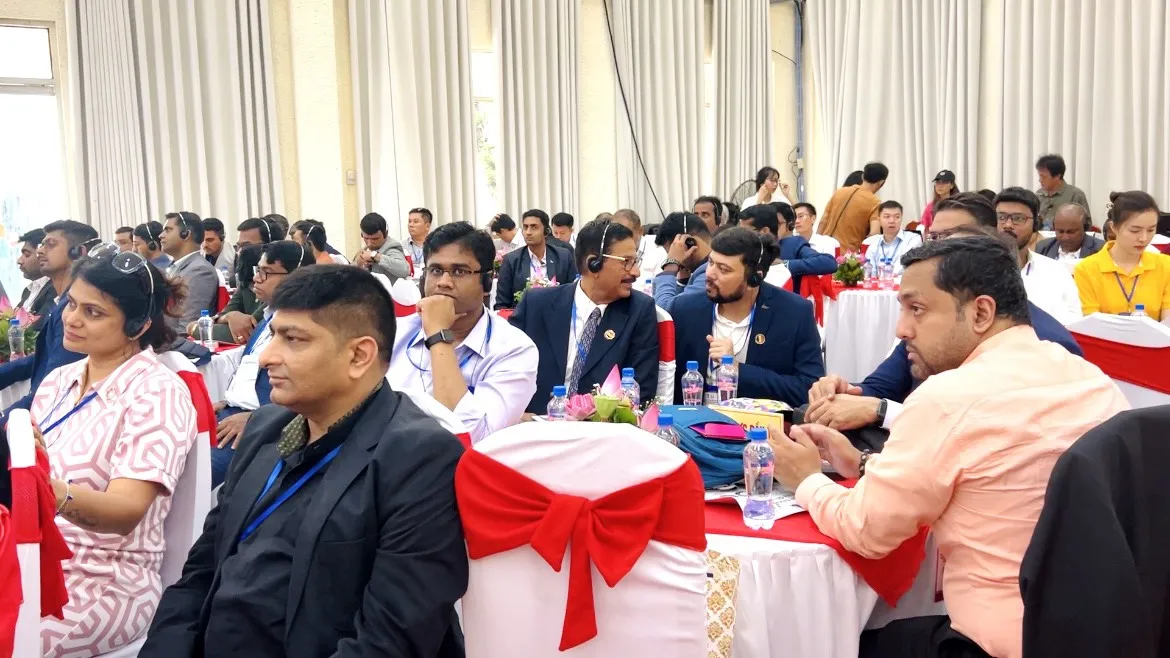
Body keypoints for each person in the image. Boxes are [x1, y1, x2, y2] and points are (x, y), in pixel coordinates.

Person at [770, 234, 1128, 658]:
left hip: (994, 641)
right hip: (1100, 628)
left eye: (917, 309)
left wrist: (807, 479)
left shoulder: (948, 398)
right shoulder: (1090, 379)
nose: (901, 329)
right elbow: (992, 477)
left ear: (981, 312)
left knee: (828, 640)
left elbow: (865, 531)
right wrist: (864, 463)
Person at [140, 265, 468, 658]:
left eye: (293, 339)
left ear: (359, 355)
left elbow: (392, 638)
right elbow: (199, 575)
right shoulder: (266, 430)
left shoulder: (418, 458)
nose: (266, 357)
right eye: (272, 335)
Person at [805, 195, 1084, 448]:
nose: (936, 249)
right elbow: (878, 389)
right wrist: (842, 394)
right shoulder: (927, 324)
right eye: (933, 237)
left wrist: (882, 411)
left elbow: (995, 438)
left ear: (987, 242)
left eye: (949, 238)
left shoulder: (1047, 345)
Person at [37, 251, 197, 657]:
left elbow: (125, 512)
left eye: (92, 312)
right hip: (31, 559)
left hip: (102, 579)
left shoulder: (157, 393)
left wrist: (34, 486)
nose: (72, 319)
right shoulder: (58, 382)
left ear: (137, 326)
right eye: (71, 304)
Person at [387, 222, 537, 442]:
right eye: (436, 270)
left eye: (460, 272)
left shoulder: (513, 349)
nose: (444, 283)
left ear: (487, 282)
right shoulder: (394, 333)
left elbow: (470, 438)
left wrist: (438, 334)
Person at [509, 219, 658, 413]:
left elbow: (641, 392)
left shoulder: (639, 310)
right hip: (535, 422)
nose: (636, 272)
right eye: (626, 262)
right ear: (593, 263)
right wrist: (517, 413)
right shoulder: (536, 304)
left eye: (635, 261)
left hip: (600, 427)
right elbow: (505, 368)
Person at [671, 227, 824, 406]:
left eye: (723, 269)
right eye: (711, 263)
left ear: (754, 279)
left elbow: (809, 389)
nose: (710, 274)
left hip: (761, 422)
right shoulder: (683, 309)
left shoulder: (794, 312)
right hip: (694, 420)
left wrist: (738, 370)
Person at [209, 241, 314, 487]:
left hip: (261, 423)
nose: (256, 278)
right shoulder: (267, 317)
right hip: (233, 411)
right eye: (258, 270)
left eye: (266, 272)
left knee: (190, 474)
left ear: (296, 277)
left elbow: (309, 392)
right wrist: (229, 400)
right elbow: (248, 369)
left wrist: (255, 418)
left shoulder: (306, 327)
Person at [0, 220, 99, 413]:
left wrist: (6, 421)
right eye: (41, 245)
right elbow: (39, 359)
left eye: (51, 245)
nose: (40, 251)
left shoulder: (73, 311)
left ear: (78, 252)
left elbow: (55, 390)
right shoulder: (61, 302)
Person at [1073, 190, 1170, 320]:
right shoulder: (1086, 270)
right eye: (1135, 230)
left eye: (1151, 230)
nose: (1143, 238)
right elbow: (1090, 322)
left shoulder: (1165, 266)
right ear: (1113, 227)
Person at [994, 187, 1082, 324]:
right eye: (1001, 217)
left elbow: (1073, 324)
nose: (1008, 225)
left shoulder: (1056, 272)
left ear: (1035, 224)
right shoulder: (976, 270)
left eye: (1018, 218)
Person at [738, 203, 838, 292]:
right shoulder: (742, 246)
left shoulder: (791, 244)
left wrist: (785, 264)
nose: (776, 227)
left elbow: (828, 262)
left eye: (778, 223)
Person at [494, 209, 577, 310]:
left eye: (534, 227)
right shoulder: (511, 260)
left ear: (546, 231)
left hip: (557, 314)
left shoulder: (563, 256)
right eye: (525, 227)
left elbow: (573, 294)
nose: (528, 232)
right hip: (522, 316)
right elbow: (502, 305)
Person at [194, 244, 266, 345]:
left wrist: (193, 328)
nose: (239, 250)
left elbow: (246, 332)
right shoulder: (246, 284)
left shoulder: (276, 293)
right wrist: (229, 316)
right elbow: (223, 315)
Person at [161, 211, 220, 333]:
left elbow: (187, 328)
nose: (161, 235)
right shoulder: (175, 267)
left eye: (168, 230)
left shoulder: (199, 271)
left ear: (186, 234)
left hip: (175, 342)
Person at [818, 161, 887, 252]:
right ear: (881, 182)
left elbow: (823, 220)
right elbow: (874, 234)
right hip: (847, 255)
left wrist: (817, 243)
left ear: (862, 177)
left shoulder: (840, 192)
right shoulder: (875, 202)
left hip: (824, 249)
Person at [652, 211, 713, 312]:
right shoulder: (703, 271)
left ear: (690, 243)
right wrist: (683, 280)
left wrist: (670, 266)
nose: (679, 263)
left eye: (674, 254)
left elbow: (664, 313)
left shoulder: (709, 275)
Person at [865, 201, 923, 275]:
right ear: (879, 220)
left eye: (897, 217)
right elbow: (869, 273)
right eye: (887, 217)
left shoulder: (913, 239)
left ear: (901, 218)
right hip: (879, 282)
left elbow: (907, 265)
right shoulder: (874, 245)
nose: (892, 221)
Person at [1036, 153, 1091, 229]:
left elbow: (1087, 225)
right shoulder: (1038, 194)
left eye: (1043, 177)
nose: (1040, 180)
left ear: (1057, 176)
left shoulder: (1075, 194)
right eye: (1039, 176)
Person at [1035, 203, 1103, 263]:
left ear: (1085, 228)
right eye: (1060, 232)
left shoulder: (1101, 249)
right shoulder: (1043, 248)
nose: (1065, 238)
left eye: (1071, 232)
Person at [354, 211, 411, 281]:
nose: (369, 243)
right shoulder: (364, 250)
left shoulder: (392, 247)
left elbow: (404, 270)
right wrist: (358, 264)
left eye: (375, 239)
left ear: (385, 234)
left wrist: (375, 256)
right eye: (366, 238)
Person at [16, 228, 54, 328]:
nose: (19, 261)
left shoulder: (55, 290)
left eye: (27, 255)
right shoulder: (27, 291)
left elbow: (37, 329)